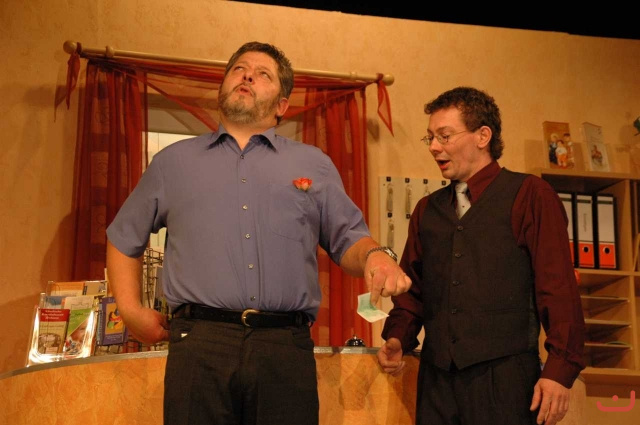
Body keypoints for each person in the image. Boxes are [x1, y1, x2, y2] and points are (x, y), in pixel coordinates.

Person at [106, 41, 411, 425]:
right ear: (222, 88)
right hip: (199, 345)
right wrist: (131, 311)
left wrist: (374, 255)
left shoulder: (314, 164)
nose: (247, 75)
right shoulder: (172, 163)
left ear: (282, 105)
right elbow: (124, 238)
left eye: (262, 74)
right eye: (238, 69)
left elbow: (349, 238)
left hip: (284, 347)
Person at [378, 87, 585, 425]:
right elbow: (413, 290)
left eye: (444, 136)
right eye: (430, 137)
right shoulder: (427, 210)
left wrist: (560, 370)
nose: (433, 147)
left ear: (482, 136)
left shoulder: (531, 196)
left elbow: (558, 289)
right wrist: (398, 336)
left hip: (505, 382)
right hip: (437, 384)